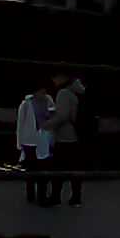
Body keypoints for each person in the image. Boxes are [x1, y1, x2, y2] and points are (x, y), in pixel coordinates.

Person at [15, 78, 60, 206]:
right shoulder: (26, 104)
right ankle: (30, 194)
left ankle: (42, 196)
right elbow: (20, 124)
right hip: (29, 141)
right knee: (31, 169)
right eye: (41, 91)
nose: (43, 93)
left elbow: (53, 116)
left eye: (44, 91)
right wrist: (19, 144)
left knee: (43, 169)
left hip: (44, 139)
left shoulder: (49, 100)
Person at [50, 70, 88, 206]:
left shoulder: (63, 93)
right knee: (75, 169)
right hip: (76, 137)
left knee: (57, 170)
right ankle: (76, 198)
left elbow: (63, 116)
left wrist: (47, 125)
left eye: (55, 78)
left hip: (64, 138)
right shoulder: (76, 94)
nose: (53, 81)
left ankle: (55, 198)